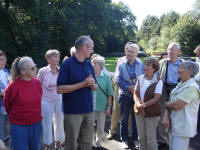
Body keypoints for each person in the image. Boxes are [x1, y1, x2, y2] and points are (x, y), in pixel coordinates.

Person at [57, 35, 98, 150]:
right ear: (84, 47)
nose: (92, 51)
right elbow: (59, 89)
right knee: (71, 144)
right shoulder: (67, 64)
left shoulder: (88, 64)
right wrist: (83, 84)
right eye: (91, 47)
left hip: (88, 110)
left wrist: (93, 85)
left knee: (86, 143)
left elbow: (95, 86)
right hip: (72, 112)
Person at [3, 56, 42, 150]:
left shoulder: (37, 82)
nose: (35, 69)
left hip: (36, 123)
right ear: (23, 71)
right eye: (32, 68)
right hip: (19, 125)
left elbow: (38, 100)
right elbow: (7, 104)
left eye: (35, 66)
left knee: (35, 147)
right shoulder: (13, 86)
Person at [162, 61, 200, 150]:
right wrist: (166, 114)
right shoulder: (180, 85)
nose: (178, 70)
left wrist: (167, 104)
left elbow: (176, 106)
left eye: (181, 68)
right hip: (174, 125)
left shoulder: (191, 88)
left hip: (182, 128)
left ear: (189, 72)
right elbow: (170, 103)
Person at [117, 44, 143, 149]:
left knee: (135, 118)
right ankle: (124, 139)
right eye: (128, 51)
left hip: (136, 95)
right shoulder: (121, 64)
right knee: (124, 119)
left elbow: (143, 77)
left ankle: (135, 139)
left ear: (137, 53)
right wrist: (128, 87)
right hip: (124, 95)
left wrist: (136, 88)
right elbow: (118, 79)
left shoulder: (140, 64)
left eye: (132, 52)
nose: (129, 53)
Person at [157, 42, 184, 148]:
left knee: (176, 114)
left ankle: (174, 138)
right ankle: (163, 139)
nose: (170, 52)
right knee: (162, 114)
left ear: (179, 51)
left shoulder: (183, 64)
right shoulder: (163, 62)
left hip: (177, 89)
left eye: (173, 49)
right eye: (169, 49)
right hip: (165, 89)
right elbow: (157, 75)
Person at [37, 49, 65, 150]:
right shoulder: (43, 71)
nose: (57, 58)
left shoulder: (61, 70)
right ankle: (47, 144)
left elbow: (63, 84)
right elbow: (37, 85)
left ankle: (58, 142)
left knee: (59, 121)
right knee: (47, 122)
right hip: (46, 100)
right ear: (48, 59)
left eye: (58, 56)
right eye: (54, 56)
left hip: (59, 99)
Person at [134, 57, 163, 150]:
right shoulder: (140, 78)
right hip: (139, 111)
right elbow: (135, 93)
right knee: (141, 138)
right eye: (145, 64)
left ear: (154, 68)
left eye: (148, 65)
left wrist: (142, 106)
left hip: (152, 113)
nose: (145, 67)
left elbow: (156, 98)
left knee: (150, 138)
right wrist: (138, 104)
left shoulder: (158, 81)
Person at [107, 42, 133, 140]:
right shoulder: (120, 60)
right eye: (126, 49)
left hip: (131, 88)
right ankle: (112, 131)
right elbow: (117, 76)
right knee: (116, 110)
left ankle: (128, 131)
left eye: (130, 49)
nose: (128, 51)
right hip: (120, 87)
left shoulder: (137, 61)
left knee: (129, 111)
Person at [91, 54, 113, 150]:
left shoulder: (107, 77)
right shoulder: (89, 76)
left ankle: (98, 143)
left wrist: (109, 107)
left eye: (95, 63)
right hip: (90, 106)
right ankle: (89, 143)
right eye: (93, 63)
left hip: (102, 106)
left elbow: (109, 94)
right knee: (88, 126)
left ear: (100, 65)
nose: (93, 65)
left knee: (100, 127)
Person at [0, 50, 10, 141]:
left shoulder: (7, 71)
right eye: (1, 59)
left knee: (7, 128)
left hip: (9, 105)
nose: (4, 61)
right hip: (0, 106)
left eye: (4, 59)